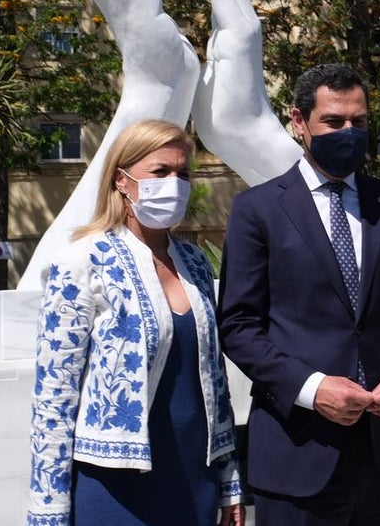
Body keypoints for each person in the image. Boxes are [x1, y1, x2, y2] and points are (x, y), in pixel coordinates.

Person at [218, 62, 380, 526]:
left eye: (358, 121)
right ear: (300, 122)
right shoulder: (257, 209)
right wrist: (311, 389)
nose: (348, 132)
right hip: (298, 449)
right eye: (334, 122)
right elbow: (238, 326)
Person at [27, 119, 243, 526]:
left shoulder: (195, 263)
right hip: (116, 487)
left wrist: (229, 479)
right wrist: (48, 511)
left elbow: (214, 381)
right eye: (160, 172)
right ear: (121, 180)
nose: (175, 184)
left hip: (195, 477)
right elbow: (53, 399)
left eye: (183, 174)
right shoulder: (81, 262)